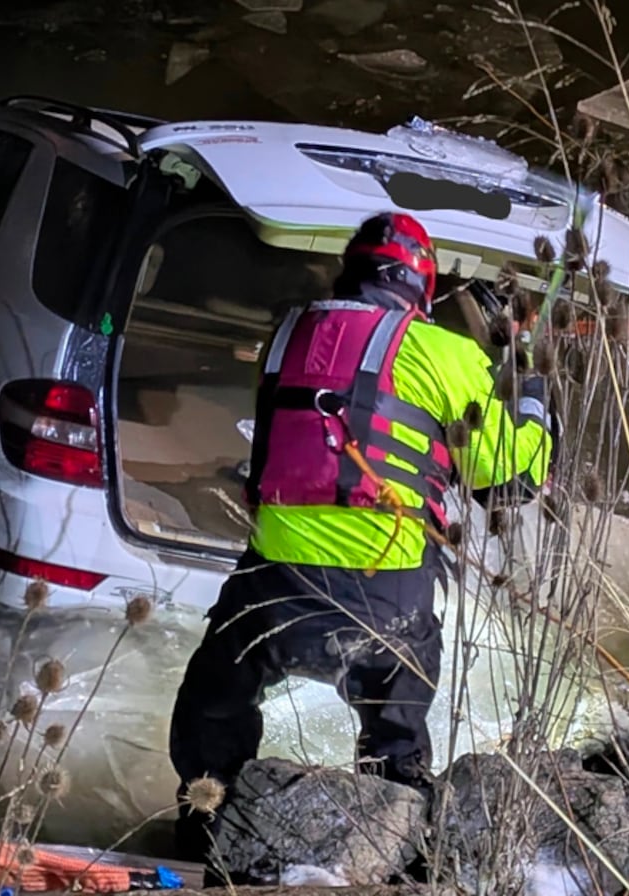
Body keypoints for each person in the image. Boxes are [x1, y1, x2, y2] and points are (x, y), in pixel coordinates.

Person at [167, 211, 556, 863]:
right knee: (395, 735)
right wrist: (533, 398)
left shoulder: (288, 331)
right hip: (385, 608)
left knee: (215, 693)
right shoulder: (449, 354)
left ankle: (205, 826)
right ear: (421, 286)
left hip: (271, 593)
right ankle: (398, 848)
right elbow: (511, 479)